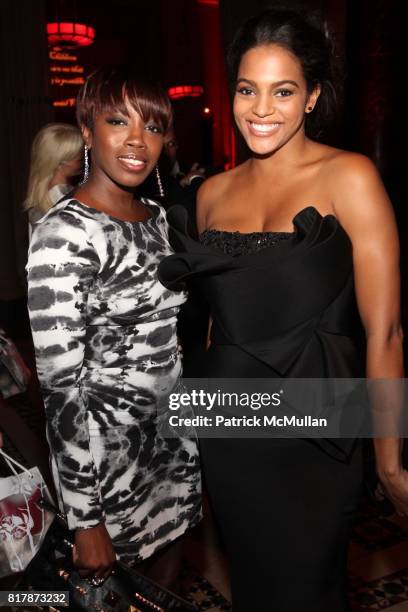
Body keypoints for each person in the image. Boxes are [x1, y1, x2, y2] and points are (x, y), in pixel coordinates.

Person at [159, 8, 408, 611]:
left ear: (313, 96)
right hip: (229, 420)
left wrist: (391, 459)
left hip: (322, 420)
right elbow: (213, 324)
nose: (261, 108)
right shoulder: (211, 192)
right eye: (247, 90)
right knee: (255, 586)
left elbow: (386, 331)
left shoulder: (351, 176)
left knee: (309, 587)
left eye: (283, 90)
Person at [26, 66, 201, 588]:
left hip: (172, 450)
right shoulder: (64, 234)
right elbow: (60, 390)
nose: (136, 141)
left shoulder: (157, 215)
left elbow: (169, 348)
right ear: (86, 129)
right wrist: (85, 520)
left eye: (151, 126)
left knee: (165, 587)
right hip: (107, 472)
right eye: (116, 121)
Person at [23, 123, 83, 228]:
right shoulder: (73, 200)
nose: (83, 158)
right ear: (61, 162)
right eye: (79, 154)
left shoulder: (38, 204)